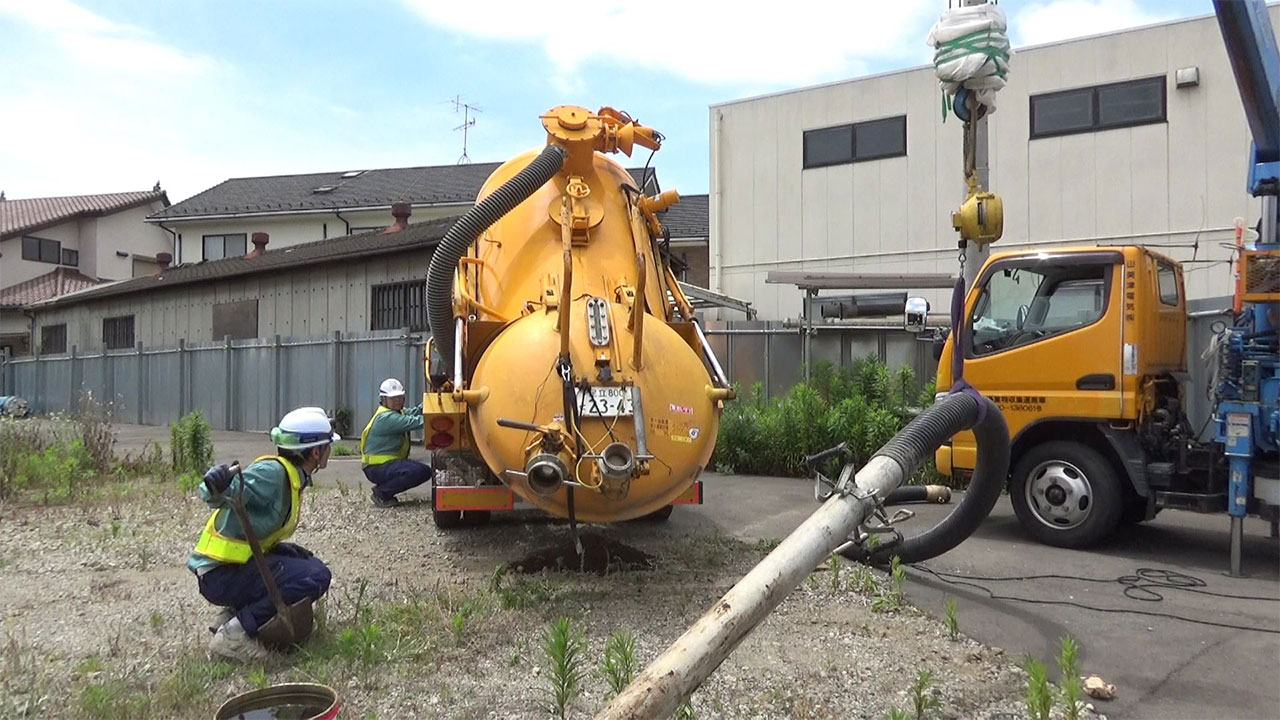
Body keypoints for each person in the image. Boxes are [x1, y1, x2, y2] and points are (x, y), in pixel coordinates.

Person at [188, 407, 337, 663]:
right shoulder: (273, 474)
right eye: (327, 447)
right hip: (220, 575)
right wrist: (215, 482)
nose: (329, 452)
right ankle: (234, 635)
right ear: (315, 451)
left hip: (230, 569)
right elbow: (220, 492)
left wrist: (279, 549)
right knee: (315, 577)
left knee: (307, 564)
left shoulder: (292, 475)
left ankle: (230, 616)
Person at [359, 378, 433, 507]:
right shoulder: (386, 418)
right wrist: (439, 416)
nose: (397, 400)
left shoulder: (397, 412)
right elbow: (416, 421)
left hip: (384, 465)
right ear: (383, 399)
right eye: (393, 398)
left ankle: (384, 489)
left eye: (399, 397)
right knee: (419, 471)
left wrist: (431, 400)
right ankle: (381, 493)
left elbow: (415, 411)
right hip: (377, 467)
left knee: (422, 470)